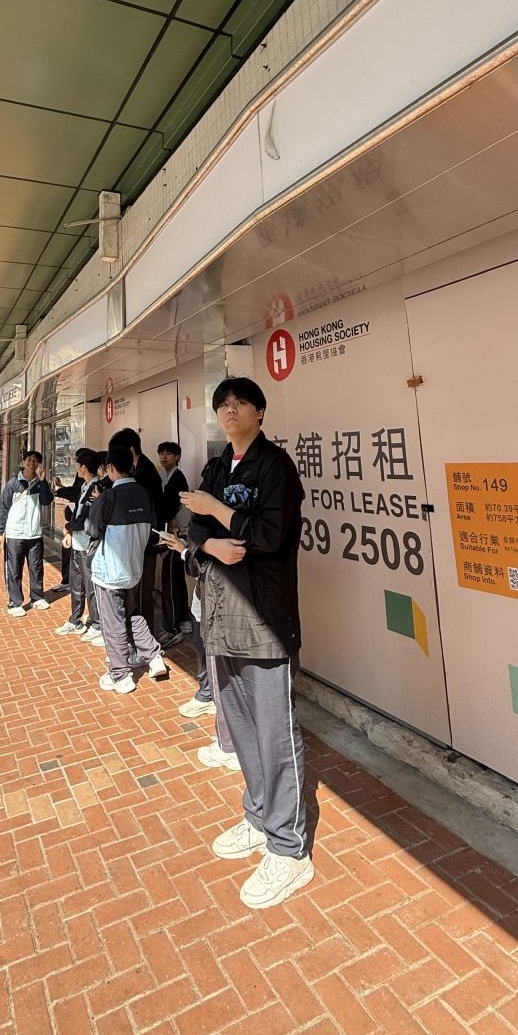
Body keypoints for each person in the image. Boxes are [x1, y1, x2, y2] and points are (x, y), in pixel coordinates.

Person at [182, 377, 311, 909]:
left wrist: (217, 511)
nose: (230, 410)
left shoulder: (276, 467)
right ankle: (258, 818)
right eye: (223, 404)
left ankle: (288, 848)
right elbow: (192, 529)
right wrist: (210, 542)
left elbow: (269, 536)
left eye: (240, 403)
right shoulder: (217, 467)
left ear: (260, 411)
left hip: (263, 621)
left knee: (275, 735)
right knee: (240, 729)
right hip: (220, 617)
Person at [87, 445, 169, 694]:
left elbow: (92, 529)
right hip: (134, 569)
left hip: (109, 572)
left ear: (110, 468)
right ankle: (153, 655)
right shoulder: (144, 494)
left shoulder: (108, 496)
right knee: (132, 614)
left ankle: (120, 675)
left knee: (112, 622)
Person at [0, 451, 55, 617]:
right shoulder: (13, 483)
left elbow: (46, 500)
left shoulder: (39, 483)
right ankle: (15, 602)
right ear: (23, 462)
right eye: (29, 460)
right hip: (15, 534)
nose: (32, 463)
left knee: (36, 568)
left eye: (35, 461)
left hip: (34, 534)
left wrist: (43, 481)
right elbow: (2, 508)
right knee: (14, 569)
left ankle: (37, 597)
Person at [55, 449, 101, 639]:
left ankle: (97, 624)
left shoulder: (96, 488)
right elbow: (78, 513)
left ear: (83, 467)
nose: (75, 467)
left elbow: (86, 519)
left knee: (90, 585)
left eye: (77, 464)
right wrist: (71, 533)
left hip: (87, 544)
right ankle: (75, 620)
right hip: (77, 542)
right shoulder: (84, 486)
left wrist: (68, 527)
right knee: (76, 584)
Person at [157, 441, 191, 644]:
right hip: (176, 534)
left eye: (168, 454)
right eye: (161, 453)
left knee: (169, 579)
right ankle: (184, 619)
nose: (163, 457)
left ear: (177, 457)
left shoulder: (177, 478)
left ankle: (172, 627)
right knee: (176, 578)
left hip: (176, 536)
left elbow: (167, 508)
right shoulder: (167, 477)